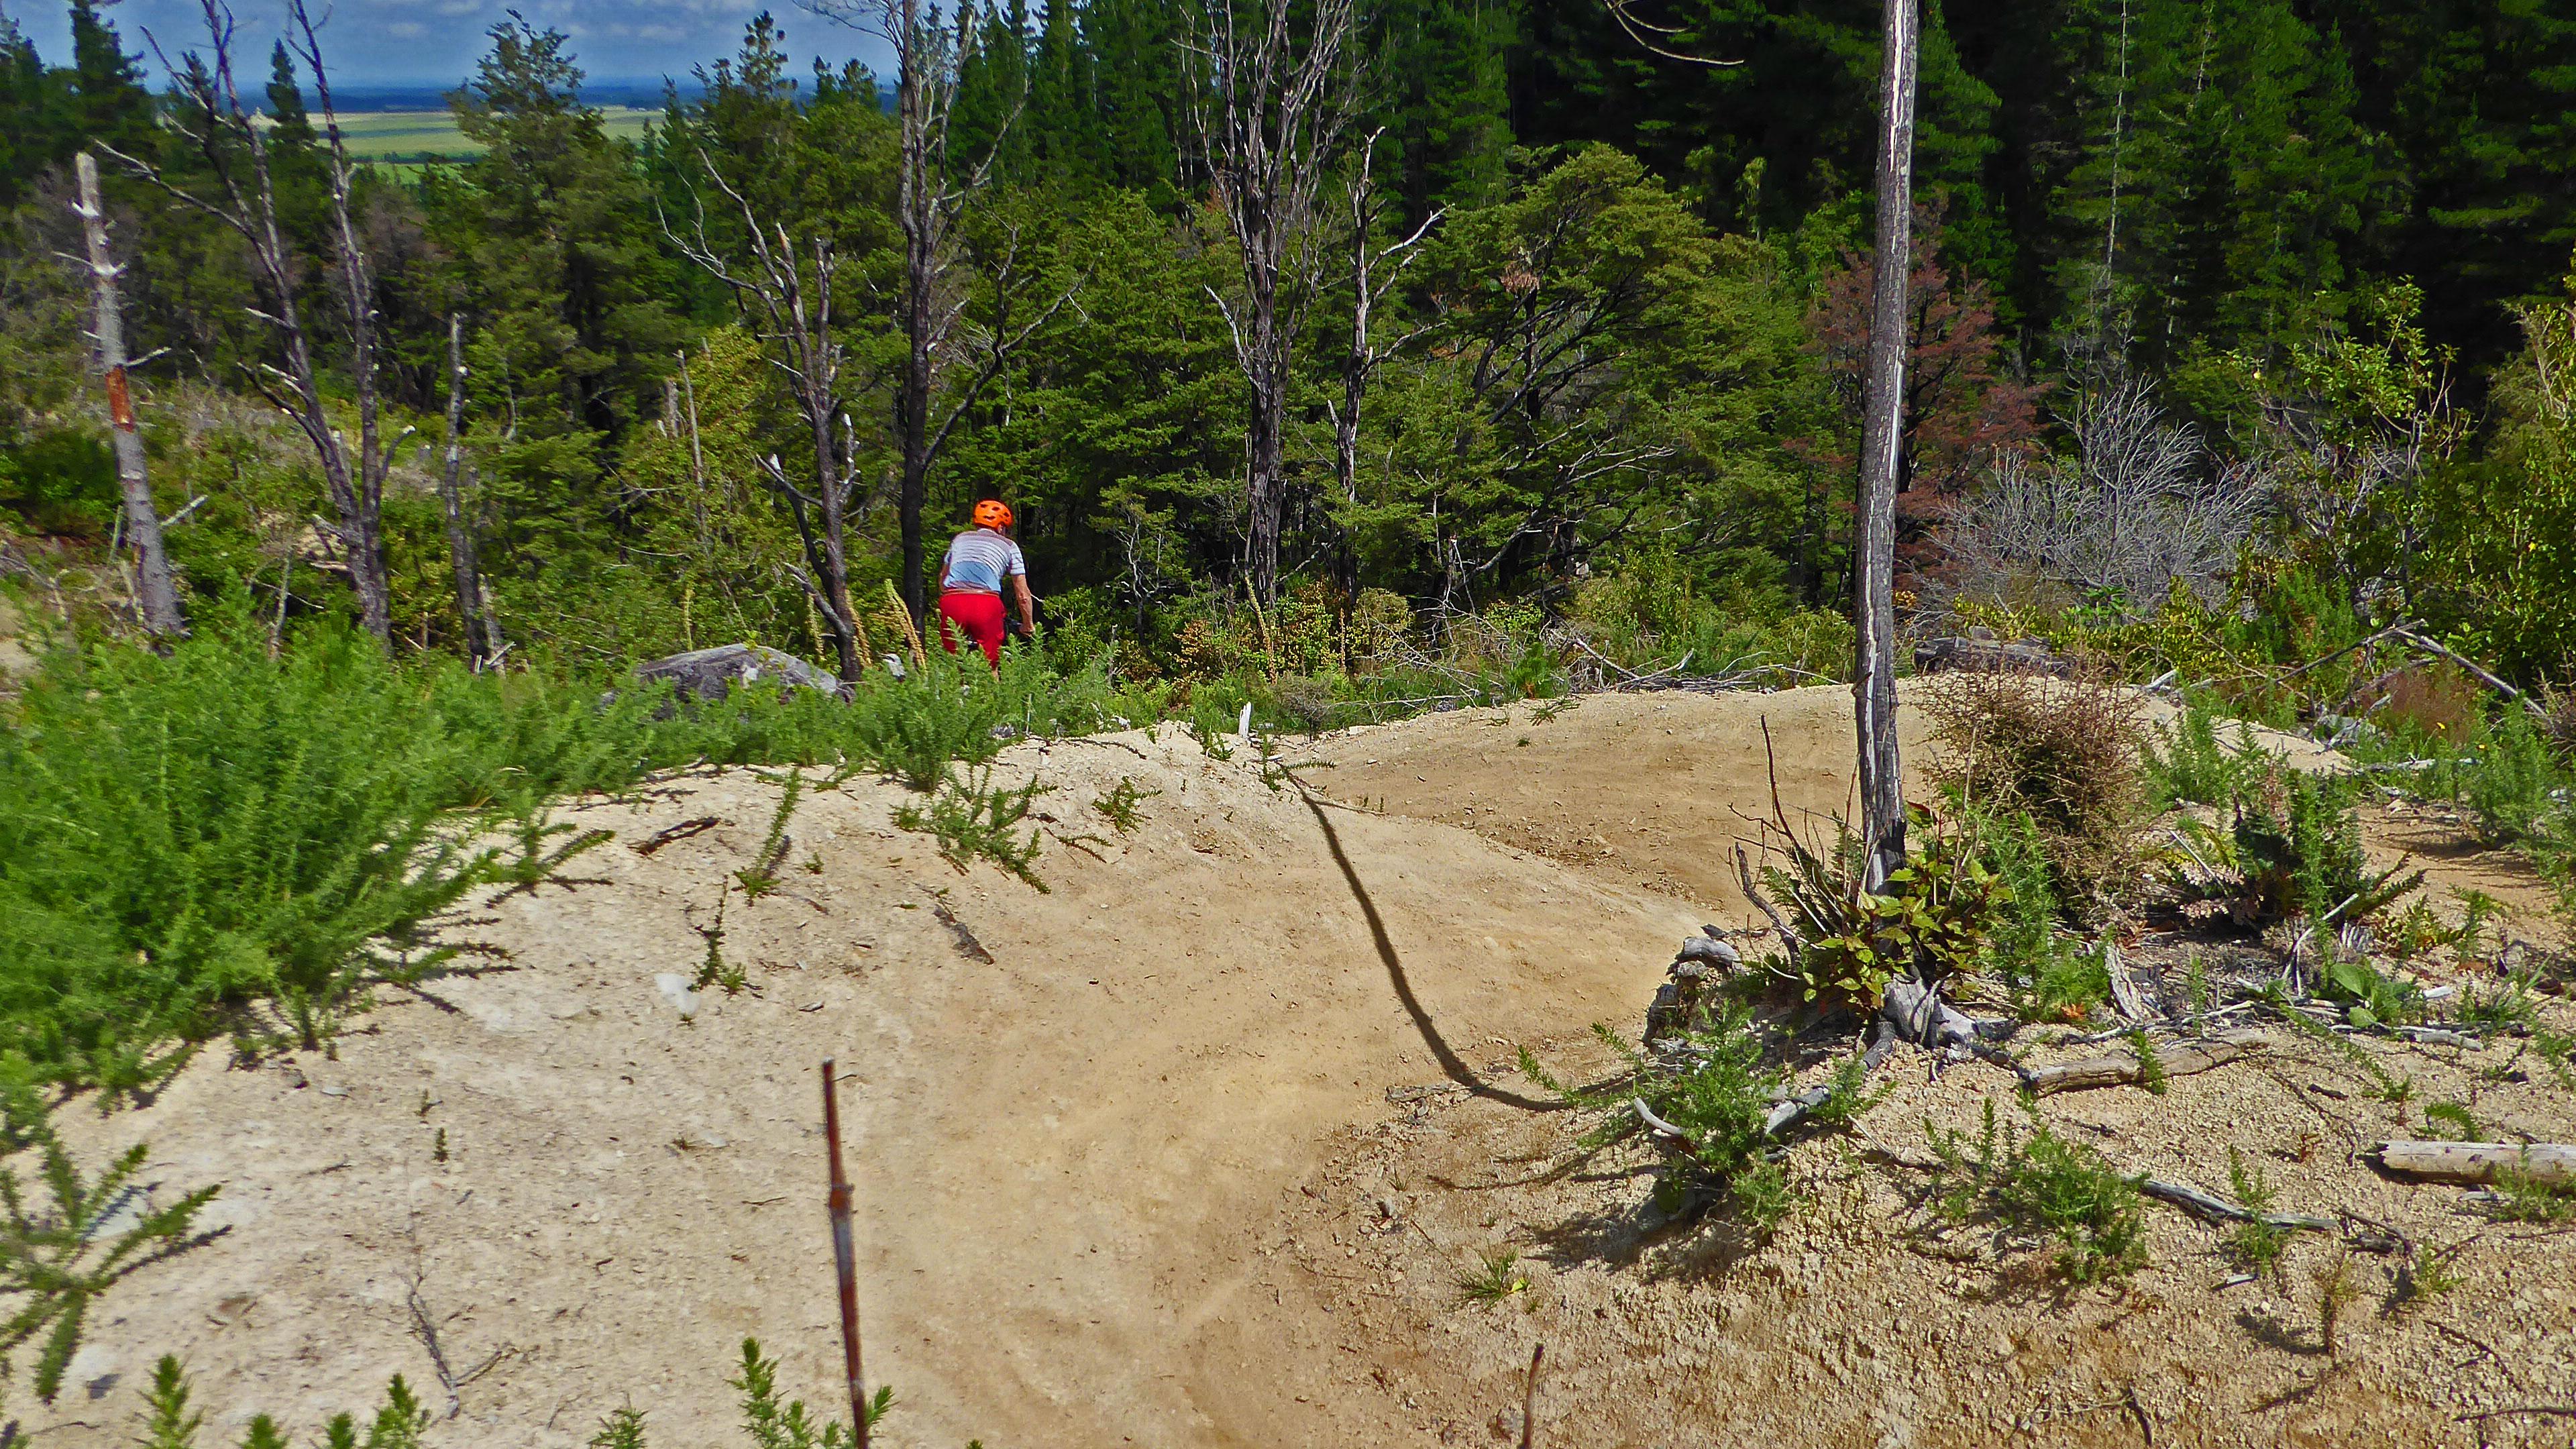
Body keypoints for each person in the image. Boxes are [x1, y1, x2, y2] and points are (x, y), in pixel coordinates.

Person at [936, 500, 1034, 669]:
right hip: (985, 603)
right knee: (991, 665)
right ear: (1001, 527)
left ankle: (953, 692)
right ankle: (991, 693)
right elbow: (1023, 595)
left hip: (952, 600)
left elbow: (943, 579)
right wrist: (1028, 624)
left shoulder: (959, 539)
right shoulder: (1010, 546)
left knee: (953, 662)